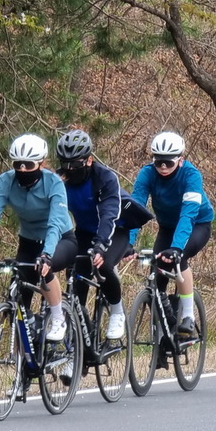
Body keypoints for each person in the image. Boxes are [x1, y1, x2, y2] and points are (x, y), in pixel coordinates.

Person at [0, 133, 77, 341]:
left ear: (41, 163)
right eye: (18, 164)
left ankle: (58, 318)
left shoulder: (54, 183)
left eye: (29, 165)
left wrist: (46, 255)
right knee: (18, 309)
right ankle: (23, 355)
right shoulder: (5, 181)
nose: (23, 170)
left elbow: (54, 224)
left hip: (60, 239)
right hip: (28, 243)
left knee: (44, 269)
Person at [131, 131, 214, 339]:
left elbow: (188, 215)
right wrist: (128, 243)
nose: (163, 167)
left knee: (179, 259)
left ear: (180, 159)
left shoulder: (191, 175)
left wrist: (177, 248)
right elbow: (135, 209)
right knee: (158, 276)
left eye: (168, 162)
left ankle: (188, 316)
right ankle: (165, 329)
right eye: (158, 162)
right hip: (167, 227)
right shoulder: (147, 174)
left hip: (197, 224)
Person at [55, 129, 129, 340]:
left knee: (102, 265)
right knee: (75, 281)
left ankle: (117, 311)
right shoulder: (58, 180)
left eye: (75, 164)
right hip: (84, 232)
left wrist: (101, 245)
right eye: (65, 163)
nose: (69, 169)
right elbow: (52, 214)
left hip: (114, 231)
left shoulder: (104, 178)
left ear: (88, 160)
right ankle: (81, 341)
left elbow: (109, 214)